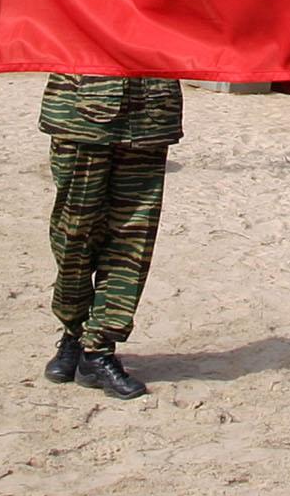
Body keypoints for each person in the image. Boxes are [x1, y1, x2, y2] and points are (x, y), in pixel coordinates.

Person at [38, 73, 183, 399]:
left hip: (150, 112)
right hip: (81, 109)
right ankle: (75, 330)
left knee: (132, 238)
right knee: (72, 235)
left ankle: (98, 347)